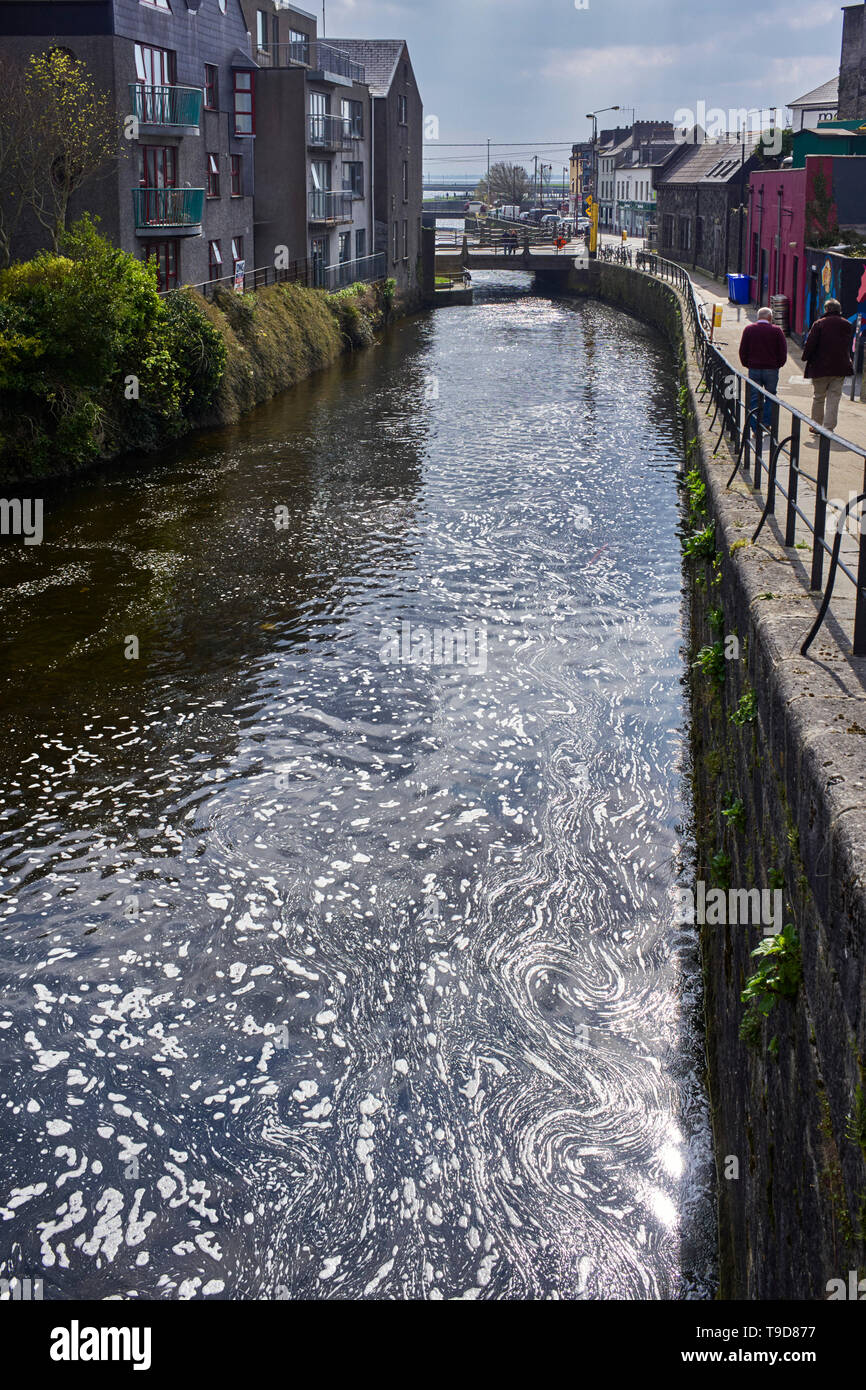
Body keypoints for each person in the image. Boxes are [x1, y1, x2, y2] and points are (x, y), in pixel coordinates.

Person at [802, 298, 854, 437]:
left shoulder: (819, 324)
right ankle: (829, 428)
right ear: (839, 309)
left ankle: (816, 426)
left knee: (819, 397)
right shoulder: (847, 324)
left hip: (820, 367)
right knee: (834, 398)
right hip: (840, 367)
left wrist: (805, 357)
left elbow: (810, 344)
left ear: (826, 309)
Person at [738, 307, 788, 438]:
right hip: (771, 369)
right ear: (770, 318)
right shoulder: (777, 331)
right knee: (771, 396)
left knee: (754, 397)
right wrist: (778, 364)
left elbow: (743, 350)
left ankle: (755, 428)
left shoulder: (749, 330)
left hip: (754, 369)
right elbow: (783, 351)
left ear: (758, 317)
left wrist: (747, 364)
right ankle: (766, 423)